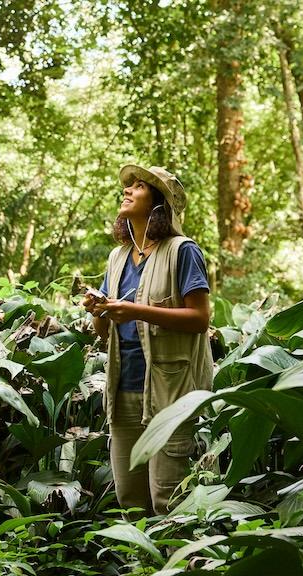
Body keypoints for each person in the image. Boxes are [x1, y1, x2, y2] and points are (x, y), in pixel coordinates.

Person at [82, 164, 214, 515]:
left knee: (166, 500)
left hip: (171, 391)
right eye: (128, 186)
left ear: (158, 204)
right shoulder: (117, 257)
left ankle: (180, 566)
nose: (127, 191)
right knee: (130, 499)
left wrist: (137, 311)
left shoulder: (182, 251)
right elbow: (105, 330)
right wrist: (99, 309)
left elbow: (200, 319)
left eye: (138, 187)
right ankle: (135, 567)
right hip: (124, 387)